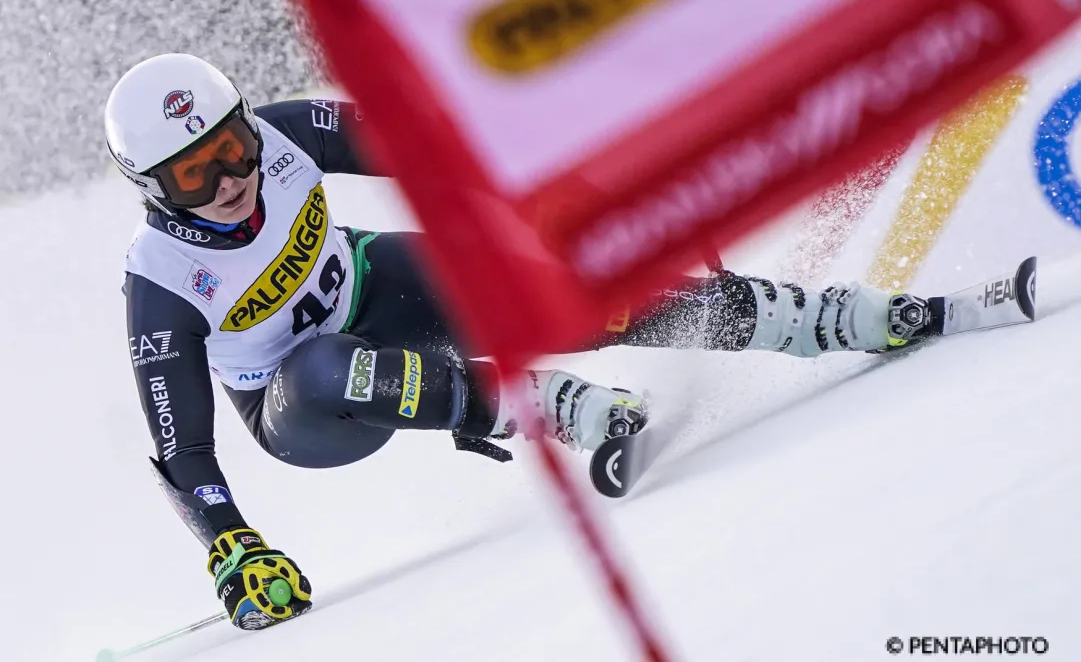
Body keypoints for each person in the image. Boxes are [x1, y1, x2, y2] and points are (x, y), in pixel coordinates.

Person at [109, 53, 935, 631]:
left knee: (549, 287)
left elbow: (434, 149)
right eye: (195, 175)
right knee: (326, 364)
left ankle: (806, 318)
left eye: (232, 147)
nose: (230, 181)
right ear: (155, 191)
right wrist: (233, 547)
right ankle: (550, 410)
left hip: (369, 286)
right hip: (305, 409)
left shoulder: (289, 134)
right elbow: (184, 450)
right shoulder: (160, 283)